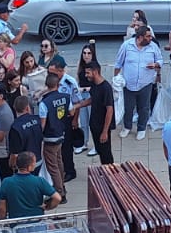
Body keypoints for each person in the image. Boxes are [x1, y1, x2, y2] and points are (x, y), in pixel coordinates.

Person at [115, 24, 161, 138]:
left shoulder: (153, 46)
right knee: (128, 107)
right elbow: (118, 63)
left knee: (144, 108)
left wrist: (155, 65)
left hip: (146, 83)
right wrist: (115, 79)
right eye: (148, 36)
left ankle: (141, 128)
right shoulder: (126, 45)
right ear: (140, 37)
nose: (151, 38)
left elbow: (160, 60)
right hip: (128, 84)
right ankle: (127, 127)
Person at [39, 68, 75, 196]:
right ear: (58, 84)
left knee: (52, 167)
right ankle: (62, 185)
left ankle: (60, 192)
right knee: (59, 162)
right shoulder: (66, 97)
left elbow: (42, 125)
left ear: (46, 85)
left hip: (49, 138)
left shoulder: (44, 103)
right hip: (61, 134)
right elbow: (71, 112)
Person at [0, 151, 60, 220]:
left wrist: (3, 219)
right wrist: (48, 207)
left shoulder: (6, 182)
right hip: (37, 221)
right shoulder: (40, 181)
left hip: (16, 222)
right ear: (29, 166)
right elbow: (57, 198)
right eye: (34, 162)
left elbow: (2, 208)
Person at [82, 61, 116, 163]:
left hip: (102, 126)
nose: (86, 75)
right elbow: (93, 99)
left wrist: (105, 132)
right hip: (94, 125)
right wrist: (78, 105)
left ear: (95, 72)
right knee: (100, 151)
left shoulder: (106, 88)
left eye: (88, 73)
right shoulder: (94, 84)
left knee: (106, 154)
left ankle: (109, 170)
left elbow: (109, 110)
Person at [7, 93, 45, 167]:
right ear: (27, 108)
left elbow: (15, 153)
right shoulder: (37, 120)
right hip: (38, 161)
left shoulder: (15, 127)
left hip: (24, 166)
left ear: (14, 108)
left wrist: (11, 164)